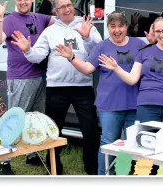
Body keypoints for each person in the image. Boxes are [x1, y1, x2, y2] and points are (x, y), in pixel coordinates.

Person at [10, 0, 102, 175]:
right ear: (56, 10)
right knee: (54, 131)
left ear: (73, 5)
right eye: (62, 7)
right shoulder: (50, 31)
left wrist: (86, 37)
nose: (67, 9)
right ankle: (53, 168)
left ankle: (92, 169)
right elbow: (37, 56)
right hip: (56, 88)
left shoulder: (86, 25)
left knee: (90, 130)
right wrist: (27, 50)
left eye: (69, 5)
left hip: (83, 87)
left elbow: (98, 51)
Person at [55, 11, 155, 175]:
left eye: (120, 26)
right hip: (109, 105)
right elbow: (88, 68)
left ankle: (124, 175)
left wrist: (152, 43)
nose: (117, 30)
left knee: (133, 144)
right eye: (112, 26)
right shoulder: (102, 46)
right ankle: (105, 176)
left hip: (135, 103)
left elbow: (153, 59)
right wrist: (71, 57)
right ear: (108, 27)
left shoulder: (138, 44)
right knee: (109, 143)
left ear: (126, 26)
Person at [0, 0, 57, 175]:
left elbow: (60, 20)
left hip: (40, 75)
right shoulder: (10, 19)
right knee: (15, 118)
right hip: (20, 78)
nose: (23, 2)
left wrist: (52, 2)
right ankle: (4, 162)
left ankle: (32, 154)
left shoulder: (39, 17)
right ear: (15, 0)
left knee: (35, 119)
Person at [98, 16, 163, 134]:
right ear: (154, 32)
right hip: (147, 107)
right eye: (158, 31)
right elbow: (132, 79)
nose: (162, 34)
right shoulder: (143, 52)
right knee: (147, 146)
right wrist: (116, 68)